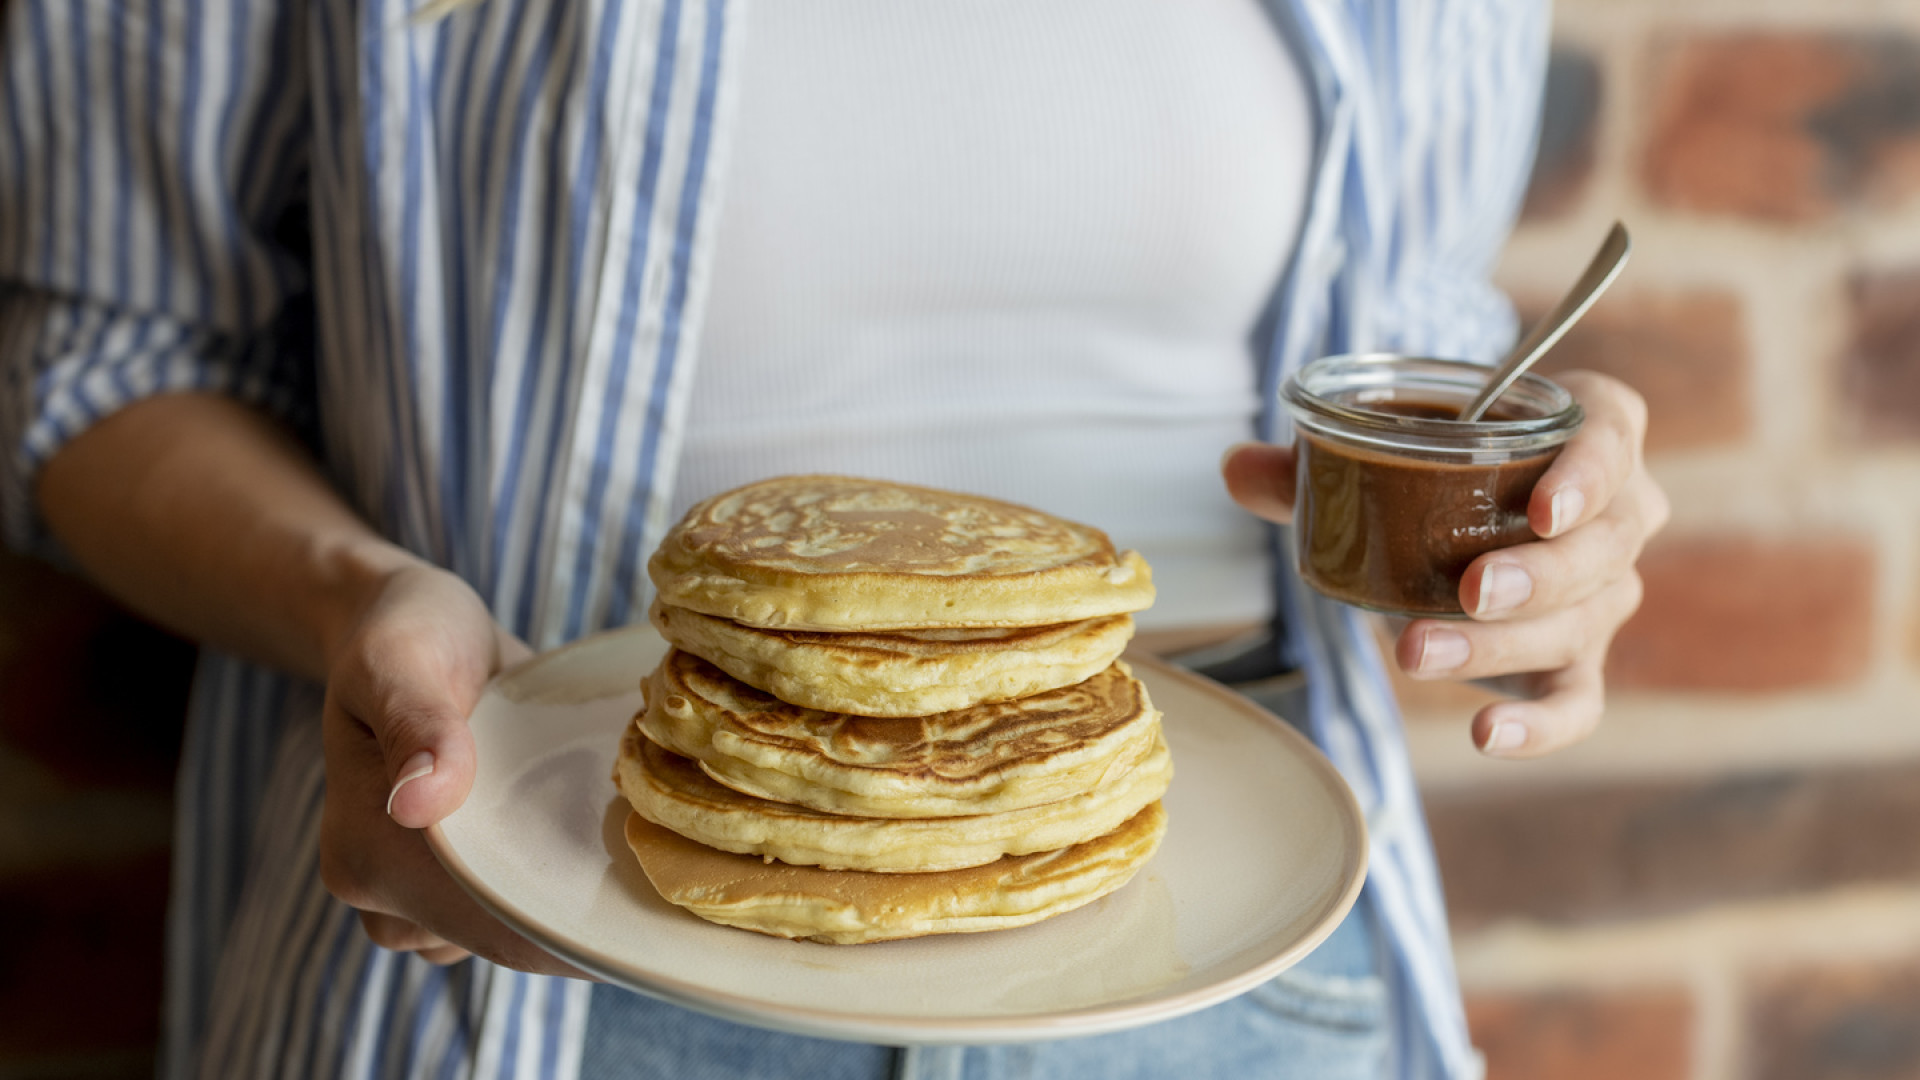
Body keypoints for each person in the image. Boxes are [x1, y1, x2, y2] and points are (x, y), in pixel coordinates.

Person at [0, 0, 1664, 1077]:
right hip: (540, 931)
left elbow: (1410, 346)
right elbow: (113, 357)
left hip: (1220, 950)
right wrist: (352, 595)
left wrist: (1524, 514)